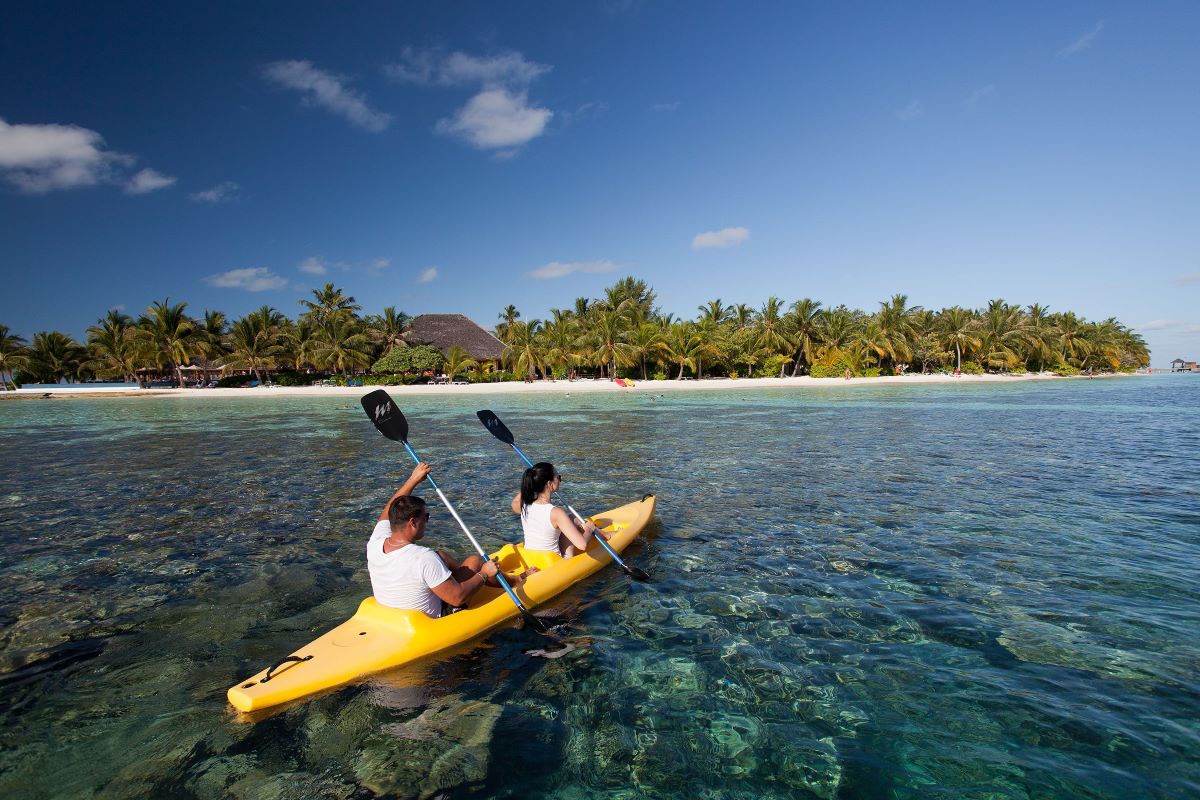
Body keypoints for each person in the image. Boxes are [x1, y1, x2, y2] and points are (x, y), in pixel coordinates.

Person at [368, 463, 499, 617]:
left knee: (441, 556)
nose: (427, 522)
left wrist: (413, 480)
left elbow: (386, 512)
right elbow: (457, 598)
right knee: (475, 562)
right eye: (426, 517)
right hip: (431, 619)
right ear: (413, 522)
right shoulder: (423, 557)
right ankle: (512, 581)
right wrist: (483, 574)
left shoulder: (375, 542)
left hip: (392, 613)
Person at [511, 462, 606, 558]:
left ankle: (605, 534)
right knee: (580, 524)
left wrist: (532, 482)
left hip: (530, 558)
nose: (560, 480)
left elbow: (515, 501)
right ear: (549, 484)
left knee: (573, 517)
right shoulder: (556, 513)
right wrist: (589, 530)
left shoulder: (523, 506)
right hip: (552, 562)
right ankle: (603, 534)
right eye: (558, 477)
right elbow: (582, 545)